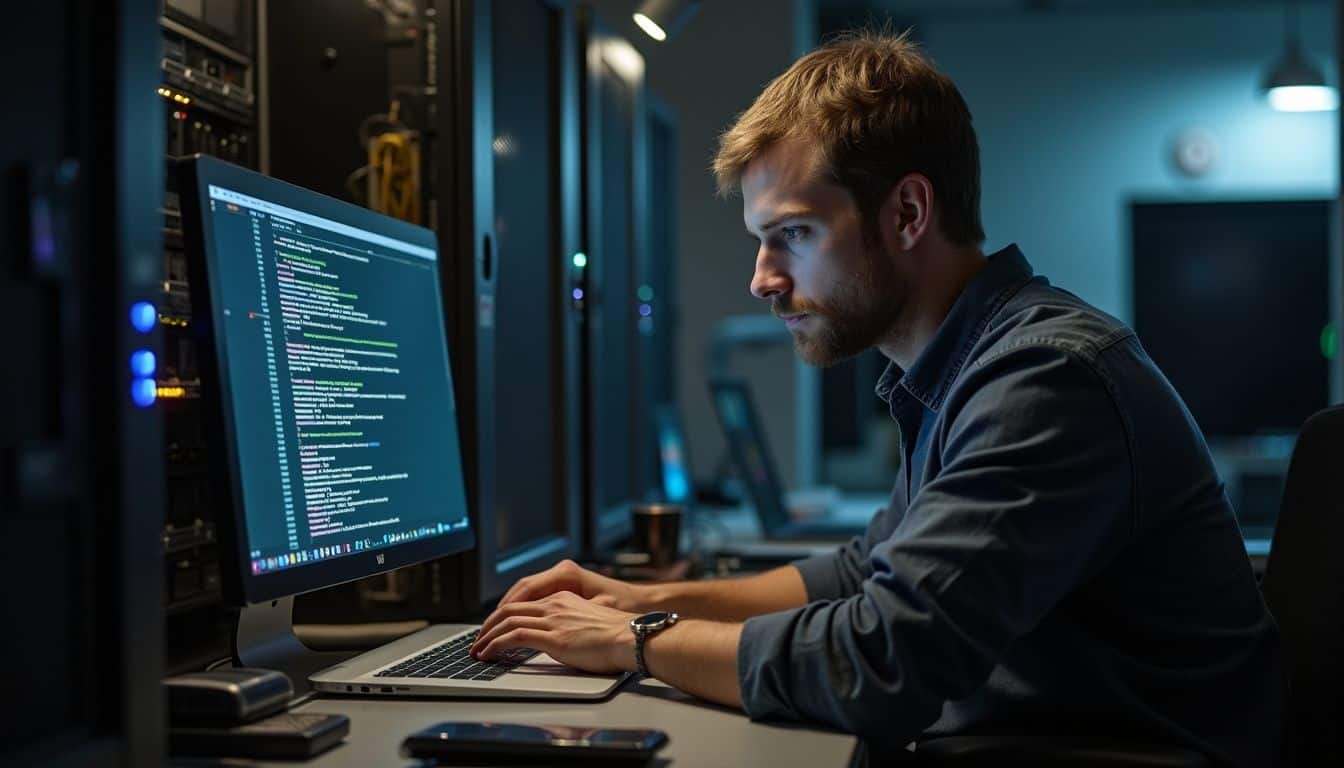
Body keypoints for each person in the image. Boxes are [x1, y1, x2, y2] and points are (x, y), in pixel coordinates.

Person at [470, 30, 1282, 764]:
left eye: (791, 234)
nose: (762, 279)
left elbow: (883, 662)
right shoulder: (963, 368)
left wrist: (634, 640)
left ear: (907, 212)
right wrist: (642, 597)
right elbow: (861, 574)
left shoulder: (1045, 379)